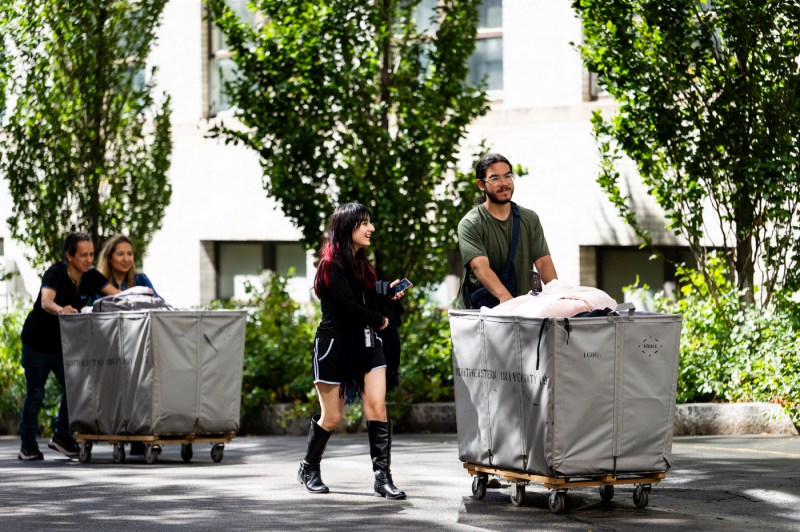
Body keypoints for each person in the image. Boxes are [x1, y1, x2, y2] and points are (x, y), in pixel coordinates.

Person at [298, 202, 409, 499]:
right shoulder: (330, 265)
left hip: (367, 345)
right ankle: (309, 467)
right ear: (348, 228)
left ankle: (382, 478)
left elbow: (366, 298)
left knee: (377, 406)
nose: (371, 228)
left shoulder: (362, 263)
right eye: (365, 223)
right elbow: (347, 306)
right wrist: (379, 318)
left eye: (370, 222)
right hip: (334, 347)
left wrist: (386, 292)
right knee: (332, 417)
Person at [18, 232, 119, 460]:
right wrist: (61, 309)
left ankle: (62, 436)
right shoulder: (55, 273)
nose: (89, 259)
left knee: (75, 390)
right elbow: (46, 302)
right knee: (35, 394)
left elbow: (116, 296)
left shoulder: (90, 276)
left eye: (91, 254)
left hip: (61, 345)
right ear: (70, 256)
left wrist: (142, 300)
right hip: (36, 343)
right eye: (83, 255)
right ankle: (28, 446)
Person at [455, 153, 558, 309]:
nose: (504, 183)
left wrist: (557, 296)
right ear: (481, 184)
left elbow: (543, 262)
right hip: (480, 314)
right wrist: (508, 301)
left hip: (522, 311)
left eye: (508, 176)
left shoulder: (529, 218)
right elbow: (480, 267)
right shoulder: (471, 223)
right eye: (495, 178)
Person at [97, 234, 157, 456]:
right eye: (120, 254)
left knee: (141, 387)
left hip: (138, 346)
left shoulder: (142, 281)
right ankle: (119, 433)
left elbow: (157, 305)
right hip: (109, 346)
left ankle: (139, 437)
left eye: (129, 254)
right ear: (109, 257)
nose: (125, 258)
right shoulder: (99, 282)